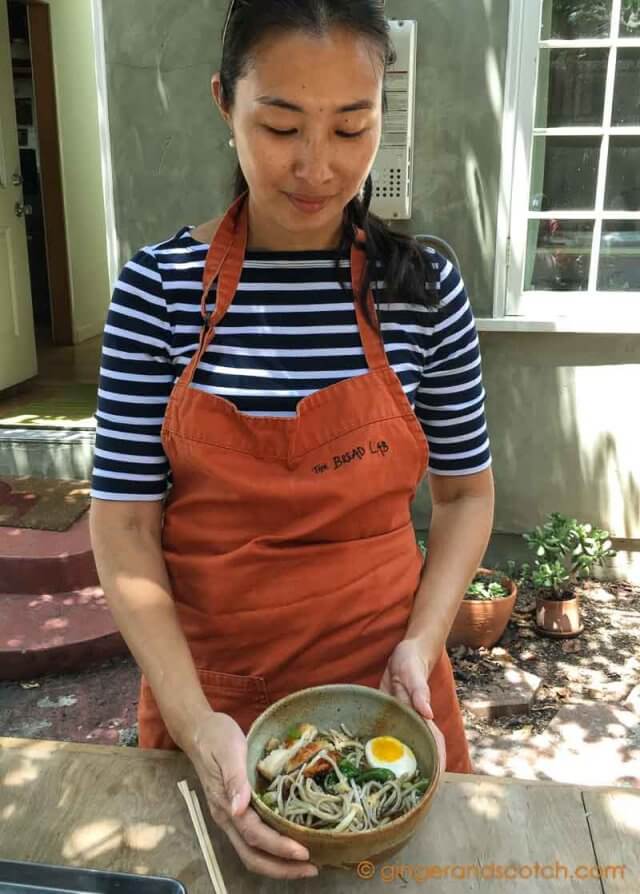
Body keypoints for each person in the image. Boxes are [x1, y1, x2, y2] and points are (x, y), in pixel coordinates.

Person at [90, 0, 495, 880]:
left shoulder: (423, 288)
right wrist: (198, 727)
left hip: (388, 702)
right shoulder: (156, 292)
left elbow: (466, 494)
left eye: (352, 127)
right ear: (223, 104)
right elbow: (123, 528)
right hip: (212, 701)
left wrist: (422, 644)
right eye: (280, 126)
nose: (318, 167)